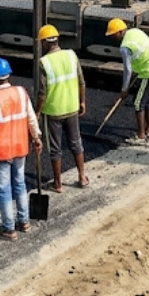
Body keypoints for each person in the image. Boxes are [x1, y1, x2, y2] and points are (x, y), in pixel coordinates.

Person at [0, 58, 43, 241]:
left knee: (4, 190)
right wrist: (36, 137)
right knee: (20, 184)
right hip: (20, 147)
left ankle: (9, 228)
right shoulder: (21, 92)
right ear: (8, 75)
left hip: (1, 151)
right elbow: (31, 118)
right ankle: (24, 221)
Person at [34, 25, 89, 192]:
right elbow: (81, 82)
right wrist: (82, 102)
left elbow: (42, 92)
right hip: (72, 106)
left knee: (55, 149)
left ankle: (58, 184)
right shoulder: (71, 55)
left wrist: (37, 111)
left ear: (44, 42)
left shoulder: (44, 62)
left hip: (53, 111)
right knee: (76, 143)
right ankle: (82, 177)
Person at [106, 18, 149, 144]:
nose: (112, 38)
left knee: (138, 103)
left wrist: (124, 89)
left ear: (120, 31)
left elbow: (127, 70)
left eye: (113, 34)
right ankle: (148, 130)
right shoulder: (135, 31)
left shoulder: (124, 47)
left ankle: (141, 136)